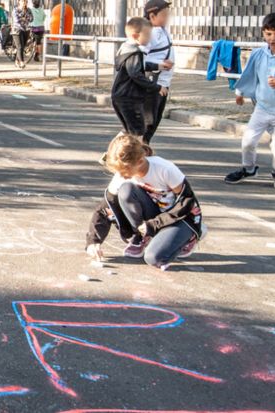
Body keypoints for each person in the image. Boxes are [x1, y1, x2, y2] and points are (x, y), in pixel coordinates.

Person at [86, 134, 204, 270]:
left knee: (154, 258)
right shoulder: (122, 175)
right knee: (126, 190)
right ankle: (141, 236)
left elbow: (187, 202)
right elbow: (104, 208)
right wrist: (93, 241)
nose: (123, 176)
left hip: (180, 218)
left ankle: (188, 237)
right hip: (154, 215)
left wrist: (154, 224)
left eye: (126, 172)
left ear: (141, 161)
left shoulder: (165, 169)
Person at [224, 13, 275, 188]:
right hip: (262, 108)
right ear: (263, 34)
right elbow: (249, 74)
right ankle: (248, 168)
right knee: (247, 141)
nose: (273, 38)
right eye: (269, 34)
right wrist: (240, 92)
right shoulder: (259, 54)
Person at [111, 17, 163, 141]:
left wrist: (158, 66)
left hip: (121, 96)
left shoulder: (125, 49)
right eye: (148, 35)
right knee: (138, 132)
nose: (150, 38)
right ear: (135, 35)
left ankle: (110, 155)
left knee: (129, 131)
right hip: (130, 98)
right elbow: (135, 74)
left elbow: (138, 66)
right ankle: (136, 158)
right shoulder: (134, 53)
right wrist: (156, 87)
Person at [142, 0, 175, 144]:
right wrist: (160, 65)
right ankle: (130, 155)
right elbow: (138, 61)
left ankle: (140, 153)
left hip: (163, 82)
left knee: (153, 122)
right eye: (164, 14)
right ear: (152, 16)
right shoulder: (149, 33)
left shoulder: (162, 30)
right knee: (146, 123)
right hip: (153, 83)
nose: (167, 17)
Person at [11, 0, 32, 68]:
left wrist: (23, 18)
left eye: (25, 1)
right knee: (19, 46)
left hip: (26, 30)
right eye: (23, 1)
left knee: (22, 47)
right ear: (19, 2)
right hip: (16, 30)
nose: (24, 3)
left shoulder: (28, 10)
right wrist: (25, 18)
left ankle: (17, 61)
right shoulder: (15, 10)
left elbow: (31, 19)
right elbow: (16, 20)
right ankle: (22, 62)